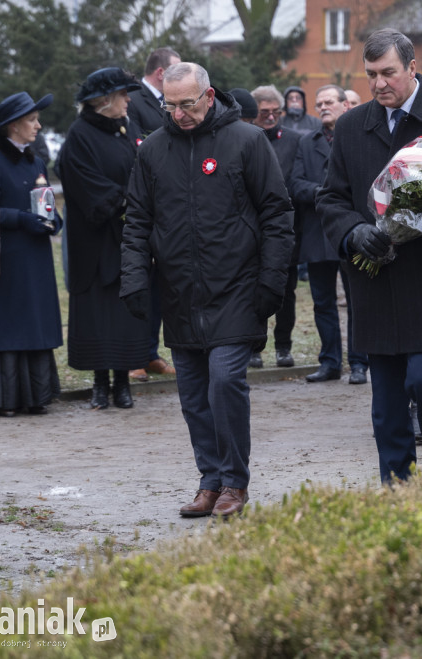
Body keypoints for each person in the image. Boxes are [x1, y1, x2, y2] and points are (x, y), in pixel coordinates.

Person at [121, 62, 293, 518]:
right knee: (194, 395)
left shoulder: (247, 141)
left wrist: (271, 281)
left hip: (237, 288)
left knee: (225, 382)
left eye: (187, 104)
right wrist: (134, 277)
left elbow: (277, 215)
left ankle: (235, 481)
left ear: (209, 96)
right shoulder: (153, 150)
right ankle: (210, 481)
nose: (178, 114)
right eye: (170, 105)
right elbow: (137, 221)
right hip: (180, 292)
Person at [315, 28, 422, 483]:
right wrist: (353, 232)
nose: (378, 84)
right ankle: (397, 489)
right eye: (370, 74)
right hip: (376, 283)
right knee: (387, 400)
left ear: (412, 67)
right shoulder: (351, 125)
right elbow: (331, 198)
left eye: (388, 72)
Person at [0, 92, 63, 416]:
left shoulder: (35, 161)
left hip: (35, 258)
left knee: (33, 324)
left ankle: (36, 397)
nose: (38, 125)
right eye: (32, 120)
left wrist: (53, 220)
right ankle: (2, 399)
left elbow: (45, 201)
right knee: (8, 327)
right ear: (14, 126)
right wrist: (22, 219)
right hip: (6, 259)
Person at [60, 67, 151, 411]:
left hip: (127, 240)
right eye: (123, 94)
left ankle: (123, 383)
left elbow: (143, 169)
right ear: (105, 100)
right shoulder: (80, 135)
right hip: (95, 242)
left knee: (125, 311)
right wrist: (125, 199)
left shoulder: (126, 129)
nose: (129, 100)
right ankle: (100, 383)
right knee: (98, 312)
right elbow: (84, 182)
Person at [289, 84, 369, 384]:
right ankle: (330, 363)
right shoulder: (306, 142)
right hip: (317, 232)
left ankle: (359, 363)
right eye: (319, 103)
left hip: (352, 230)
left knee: (357, 301)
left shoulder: (358, 138)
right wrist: (325, 193)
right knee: (322, 303)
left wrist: (332, 195)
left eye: (329, 102)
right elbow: (295, 184)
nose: (323, 107)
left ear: (345, 105)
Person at [126, 46, 180, 383]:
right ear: (161, 73)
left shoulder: (167, 101)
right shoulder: (134, 101)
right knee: (139, 283)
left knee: (161, 284)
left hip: (167, 204)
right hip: (143, 198)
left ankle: (149, 353)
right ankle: (133, 356)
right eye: (176, 70)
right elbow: (138, 146)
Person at [247, 85, 302, 370]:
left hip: (285, 230)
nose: (270, 117)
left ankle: (283, 346)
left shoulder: (295, 140)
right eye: (264, 112)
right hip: (252, 231)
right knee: (252, 290)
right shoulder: (245, 139)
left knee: (286, 292)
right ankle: (254, 347)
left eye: (275, 112)